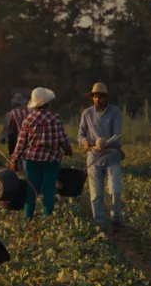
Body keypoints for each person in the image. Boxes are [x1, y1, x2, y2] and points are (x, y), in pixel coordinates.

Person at [10, 87, 72, 221]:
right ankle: (48, 217)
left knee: (31, 189)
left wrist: (14, 159)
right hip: (51, 160)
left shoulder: (28, 119)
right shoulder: (55, 118)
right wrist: (67, 149)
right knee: (49, 189)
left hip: (31, 160)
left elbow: (21, 142)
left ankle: (28, 218)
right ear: (47, 103)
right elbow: (62, 138)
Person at [77, 83, 125, 233]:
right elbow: (80, 134)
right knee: (96, 193)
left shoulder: (115, 112)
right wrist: (84, 142)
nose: (98, 99)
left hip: (112, 154)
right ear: (92, 98)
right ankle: (99, 223)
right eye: (95, 96)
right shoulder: (87, 113)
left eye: (101, 96)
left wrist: (106, 143)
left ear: (106, 97)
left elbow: (117, 134)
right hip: (93, 156)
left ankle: (116, 219)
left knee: (115, 190)